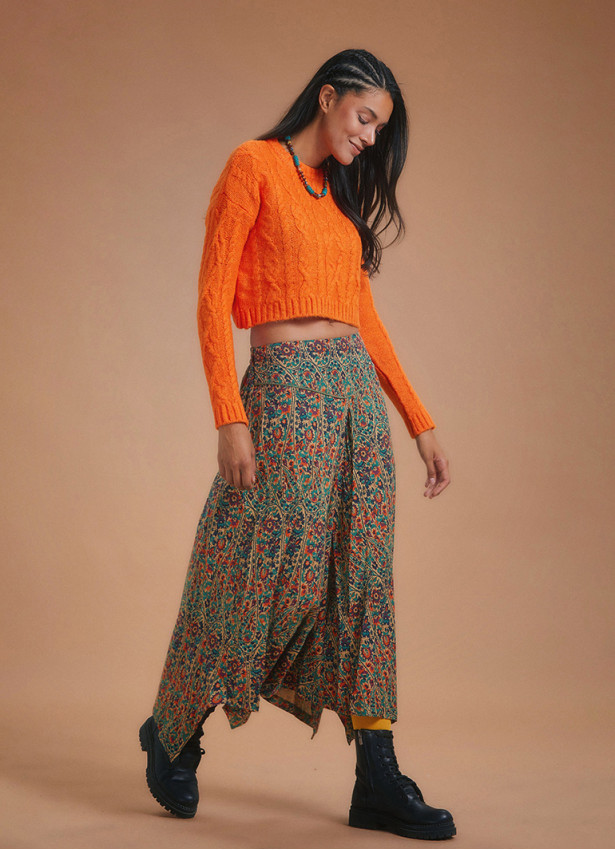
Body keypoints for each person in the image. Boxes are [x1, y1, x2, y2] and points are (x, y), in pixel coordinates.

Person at [139, 48, 455, 841]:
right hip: (283, 392)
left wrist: (418, 422)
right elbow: (212, 296)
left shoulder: (338, 197)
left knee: (363, 577)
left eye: (378, 129)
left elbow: (363, 319)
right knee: (255, 568)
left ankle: (376, 775)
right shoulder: (253, 165)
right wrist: (229, 417)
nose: (369, 137)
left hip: (355, 398)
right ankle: (174, 725)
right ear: (326, 97)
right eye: (363, 118)